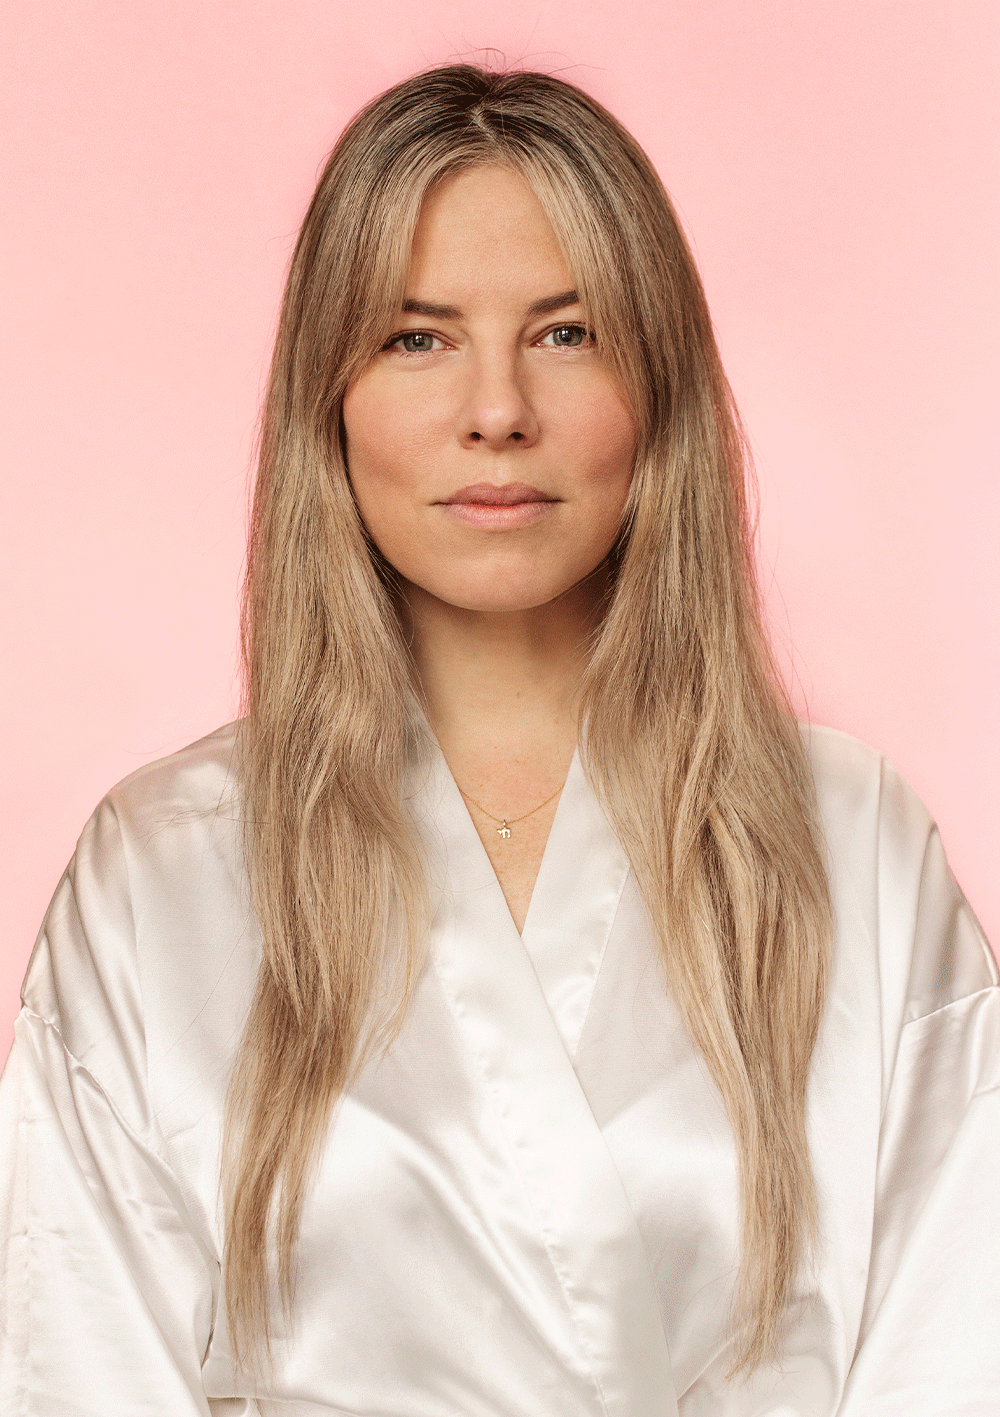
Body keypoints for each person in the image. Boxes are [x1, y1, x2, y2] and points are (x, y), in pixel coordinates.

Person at [1, 63, 997, 1416]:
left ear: (660, 386)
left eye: (567, 332)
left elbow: (957, 1343)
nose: (497, 410)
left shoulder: (852, 841)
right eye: (417, 339)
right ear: (328, 399)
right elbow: (75, 1359)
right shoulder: (160, 873)